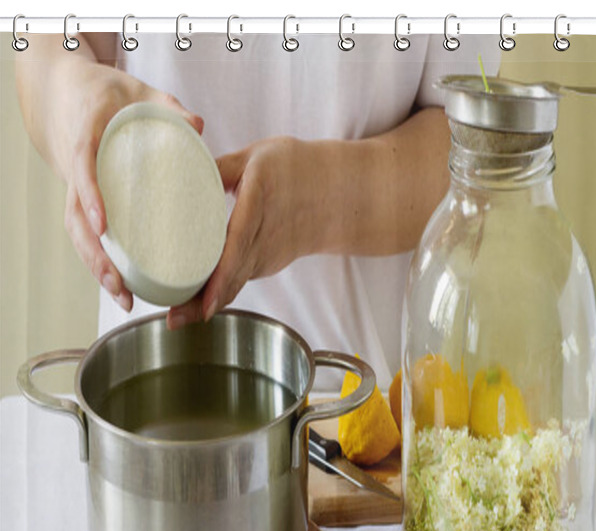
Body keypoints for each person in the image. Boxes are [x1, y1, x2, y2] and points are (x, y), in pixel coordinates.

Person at [16, 30, 498, 389]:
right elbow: (45, 45)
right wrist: (74, 101)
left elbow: (474, 141)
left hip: (360, 425)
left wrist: (322, 198)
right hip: (145, 398)